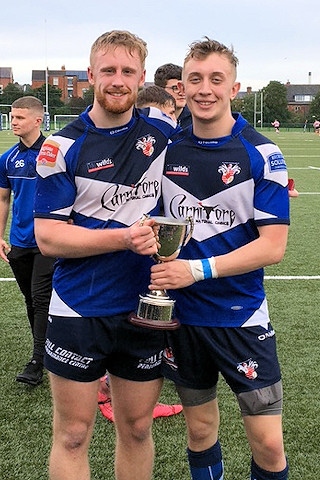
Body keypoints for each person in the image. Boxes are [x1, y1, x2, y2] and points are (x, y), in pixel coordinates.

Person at [34, 30, 178, 480]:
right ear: (92, 73)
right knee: (74, 434)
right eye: (109, 70)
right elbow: (49, 238)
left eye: (128, 71)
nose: (118, 80)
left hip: (146, 307)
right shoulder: (61, 147)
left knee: (136, 429)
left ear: (141, 78)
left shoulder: (166, 132)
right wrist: (124, 238)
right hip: (81, 306)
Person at [150, 37, 290, 480]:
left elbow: (273, 246)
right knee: (200, 431)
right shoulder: (163, 149)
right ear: (181, 88)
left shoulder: (262, 154)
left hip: (240, 317)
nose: (205, 89)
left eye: (216, 79)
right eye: (195, 79)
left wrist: (198, 269)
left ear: (235, 87)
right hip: (183, 320)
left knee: (268, 444)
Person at [0, 96, 55, 386]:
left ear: (37, 120)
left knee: (41, 297)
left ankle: (37, 361)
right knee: (30, 300)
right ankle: (46, 350)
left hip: (49, 241)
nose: (14, 121)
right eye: (12, 116)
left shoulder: (56, 153)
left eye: (19, 117)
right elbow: (3, 199)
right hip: (19, 241)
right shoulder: (7, 158)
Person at [154, 62, 192, 128]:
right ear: (160, 90)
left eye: (184, 87)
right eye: (175, 88)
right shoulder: (150, 119)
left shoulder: (197, 119)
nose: (182, 92)